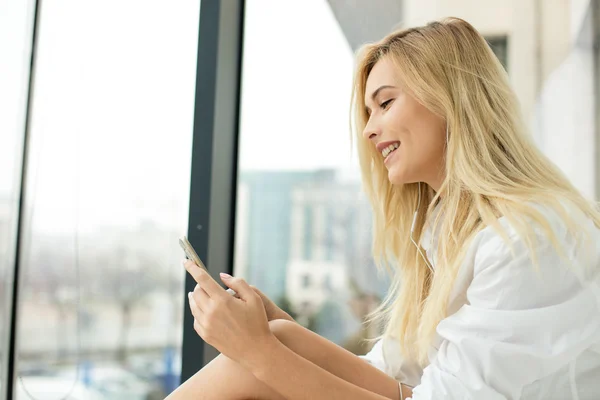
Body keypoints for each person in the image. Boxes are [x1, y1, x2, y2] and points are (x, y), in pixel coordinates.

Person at [165, 17, 600, 400]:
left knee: (259, 360)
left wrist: (259, 354)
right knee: (279, 339)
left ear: (451, 98)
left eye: (385, 103)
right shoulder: (448, 230)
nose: (370, 130)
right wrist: (275, 330)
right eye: (369, 112)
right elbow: (389, 376)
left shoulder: (527, 237)